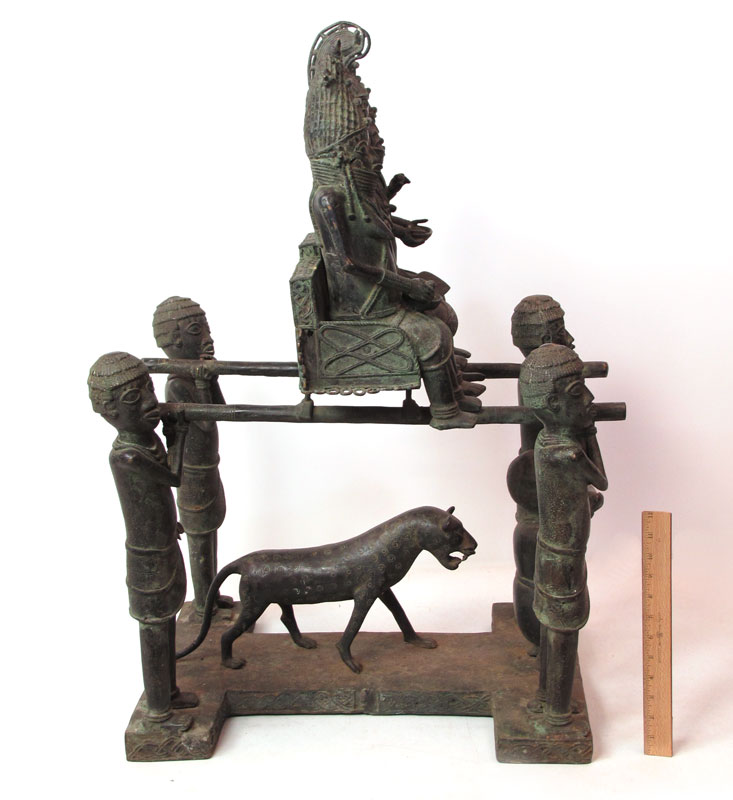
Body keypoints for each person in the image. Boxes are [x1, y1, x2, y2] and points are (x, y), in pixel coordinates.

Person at [304, 22, 479, 429]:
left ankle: (450, 382)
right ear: (342, 155)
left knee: (443, 313)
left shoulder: (355, 191)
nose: (370, 155)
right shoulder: (328, 198)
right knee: (433, 335)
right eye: (362, 150)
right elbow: (346, 263)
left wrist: (399, 225)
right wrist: (407, 286)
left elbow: (368, 221)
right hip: (362, 306)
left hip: (382, 290)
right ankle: (446, 411)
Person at [88, 351, 197, 729]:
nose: (151, 402)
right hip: (148, 558)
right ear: (110, 411)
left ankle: (169, 693)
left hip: (164, 544)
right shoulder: (128, 457)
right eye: (136, 398)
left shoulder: (145, 442)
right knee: (155, 628)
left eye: (150, 389)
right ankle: (158, 712)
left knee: (166, 621)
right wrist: (179, 435)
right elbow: (174, 478)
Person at [519, 344, 607, 726]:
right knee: (564, 630)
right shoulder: (568, 453)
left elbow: (575, 494)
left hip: (551, 549)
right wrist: (590, 430)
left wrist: (586, 502)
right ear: (554, 404)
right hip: (565, 557)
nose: (589, 399)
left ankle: (547, 697)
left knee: (553, 625)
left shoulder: (544, 441)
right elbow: (601, 478)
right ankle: (557, 712)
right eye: (578, 393)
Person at [152, 296, 232, 616]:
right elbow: (206, 421)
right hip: (193, 474)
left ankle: (210, 595)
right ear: (175, 340)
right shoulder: (176, 384)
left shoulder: (195, 376)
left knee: (210, 533)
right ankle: (201, 607)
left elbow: (222, 410)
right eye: (198, 331)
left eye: (206, 330)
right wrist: (202, 382)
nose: (208, 338)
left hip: (208, 467)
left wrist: (211, 378)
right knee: (199, 538)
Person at [507, 295, 576, 650]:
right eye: (561, 330)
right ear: (547, 336)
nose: (570, 337)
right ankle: (543, 641)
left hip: (540, 485)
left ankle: (544, 641)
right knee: (536, 561)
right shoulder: (544, 376)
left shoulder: (536, 372)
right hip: (540, 490)